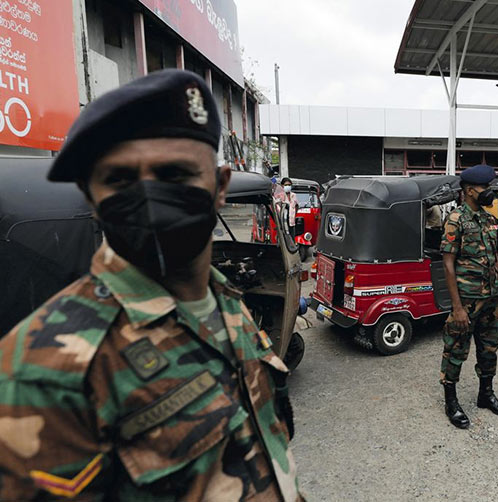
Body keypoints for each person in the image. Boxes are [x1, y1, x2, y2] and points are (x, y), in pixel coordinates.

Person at [0, 70, 303, 501]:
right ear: (90, 197)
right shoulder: (41, 374)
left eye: (174, 173)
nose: (149, 196)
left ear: (219, 187)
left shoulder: (228, 303)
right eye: (121, 179)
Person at [440, 164, 498, 430]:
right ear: (469, 190)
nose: (489, 191)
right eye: (485, 187)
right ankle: (451, 402)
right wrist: (457, 307)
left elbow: (495, 261)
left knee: (489, 349)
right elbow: (448, 264)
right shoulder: (456, 220)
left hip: (491, 298)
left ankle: (485, 394)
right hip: (467, 300)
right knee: (456, 349)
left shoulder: (488, 219)